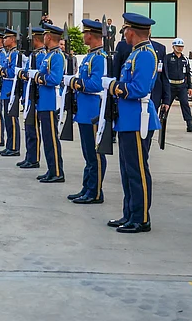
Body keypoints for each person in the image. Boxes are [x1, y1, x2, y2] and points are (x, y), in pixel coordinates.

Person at [107, 12, 161, 234]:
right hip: (128, 119)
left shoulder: (145, 55)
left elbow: (139, 89)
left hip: (138, 119)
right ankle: (130, 213)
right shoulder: (134, 54)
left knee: (137, 171)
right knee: (127, 170)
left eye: (125, 31)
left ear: (131, 32)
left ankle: (141, 218)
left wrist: (115, 87)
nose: (124, 35)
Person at [66, 20, 107, 204]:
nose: (83, 36)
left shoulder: (100, 57)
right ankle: (87, 187)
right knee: (88, 154)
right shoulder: (90, 56)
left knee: (95, 154)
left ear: (91, 35)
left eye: (85, 33)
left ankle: (95, 191)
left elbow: (97, 84)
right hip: (84, 110)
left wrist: (76, 83)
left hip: (93, 111)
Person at [34, 23, 66, 183]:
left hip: (52, 102)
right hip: (44, 101)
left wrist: (39, 78)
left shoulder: (57, 56)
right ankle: (51, 169)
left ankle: (57, 172)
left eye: (45, 35)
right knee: (47, 137)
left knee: (52, 138)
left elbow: (55, 79)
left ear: (49, 37)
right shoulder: (49, 55)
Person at [16, 27, 46, 169]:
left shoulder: (42, 55)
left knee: (34, 130)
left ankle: (34, 158)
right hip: (28, 95)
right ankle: (29, 156)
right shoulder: (34, 54)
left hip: (35, 95)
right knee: (28, 128)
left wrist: (28, 74)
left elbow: (37, 74)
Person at [0, 29, 21, 157]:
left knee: (12, 119)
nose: (4, 40)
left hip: (11, 89)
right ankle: (9, 145)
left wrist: (2, 71)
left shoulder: (15, 54)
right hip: (6, 89)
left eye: (6, 38)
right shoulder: (9, 53)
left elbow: (12, 72)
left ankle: (14, 147)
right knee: (7, 119)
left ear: (13, 39)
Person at [165, 38, 192, 132]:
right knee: (166, 105)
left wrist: (189, 87)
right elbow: (165, 72)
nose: (180, 48)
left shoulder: (185, 59)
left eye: (181, 46)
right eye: (178, 46)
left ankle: (189, 124)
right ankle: (162, 123)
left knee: (185, 104)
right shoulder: (168, 58)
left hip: (182, 86)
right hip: (170, 86)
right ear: (173, 47)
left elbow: (188, 74)